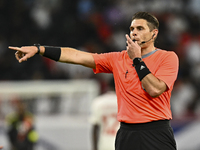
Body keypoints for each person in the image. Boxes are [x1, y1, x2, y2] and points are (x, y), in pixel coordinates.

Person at [9, 11, 179, 150]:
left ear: (154, 33)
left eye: (140, 28)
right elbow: (76, 56)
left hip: (156, 132)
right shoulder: (117, 59)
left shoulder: (168, 58)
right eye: (132, 28)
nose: (134, 32)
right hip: (127, 133)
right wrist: (39, 49)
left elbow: (155, 89)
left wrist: (137, 60)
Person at [90, 77, 119, 150]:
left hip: (103, 144)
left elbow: (95, 128)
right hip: (119, 143)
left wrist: (94, 148)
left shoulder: (98, 101)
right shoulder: (124, 102)